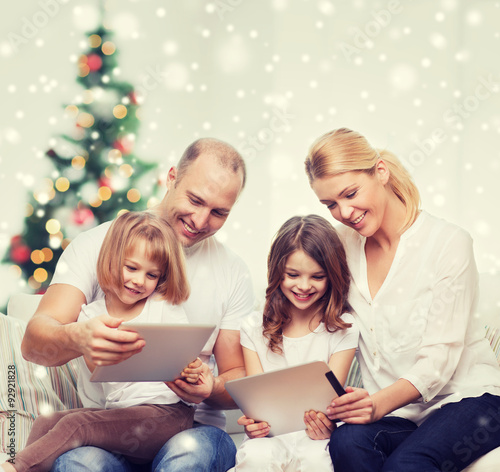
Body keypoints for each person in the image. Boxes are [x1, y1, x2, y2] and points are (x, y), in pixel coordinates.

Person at [21, 138, 255, 472]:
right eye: (195, 200)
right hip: (108, 430)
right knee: (78, 463)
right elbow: (34, 342)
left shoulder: (232, 271)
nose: (201, 221)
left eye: (219, 213)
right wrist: (79, 338)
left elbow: (237, 378)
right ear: (171, 177)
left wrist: (209, 387)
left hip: (190, 427)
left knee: (191, 454)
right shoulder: (97, 245)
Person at [304, 127, 500, 471]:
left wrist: (376, 405)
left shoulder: (448, 243)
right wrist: (304, 409)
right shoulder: (341, 247)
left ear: (381, 172)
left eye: (351, 193)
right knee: (347, 441)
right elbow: (319, 326)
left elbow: (439, 361)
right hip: (400, 413)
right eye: (330, 204)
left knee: (408, 463)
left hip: (469, 399)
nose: (345, 212)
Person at [2, 211, 201, 472]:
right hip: (119, 417)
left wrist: (195, 372)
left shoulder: (165, 307)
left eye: (152, 275)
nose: (139, 281)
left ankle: (14, 468)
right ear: (111, 260)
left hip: (167, 415)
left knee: (78, 425)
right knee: (46, 422)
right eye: (131, 268)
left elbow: (186, 360)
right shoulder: (90, 315)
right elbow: (97, 372)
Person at [234, 215, 359, 471]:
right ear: (277, 272)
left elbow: (330, 404)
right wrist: (254, 424)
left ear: (332, 276)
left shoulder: (343, 327)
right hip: (268, 437)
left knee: (317, 461)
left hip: (316, 437)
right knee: (257, 457)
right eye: (293, 274)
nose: (303, 286)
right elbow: (257, 404)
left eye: (317, 276)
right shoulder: (252, 327)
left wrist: (325, 424)